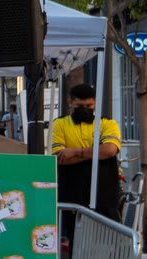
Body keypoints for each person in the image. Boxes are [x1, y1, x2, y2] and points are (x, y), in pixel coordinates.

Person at [51, 82, 122, 246]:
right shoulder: (59, 124)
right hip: (72, 195)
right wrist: (96, 153)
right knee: (76, 242)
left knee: (109, 242)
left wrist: (75, 152)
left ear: (95, 103)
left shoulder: (107, 123)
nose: (85, 109)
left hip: (104, 195)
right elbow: (60, 157)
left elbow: (110, 150)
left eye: (89, 105)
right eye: (79, 106)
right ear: (70, 103)